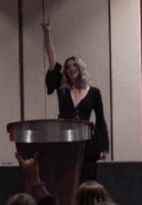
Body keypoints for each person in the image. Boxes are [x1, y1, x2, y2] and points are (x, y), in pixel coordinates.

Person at [40, 23, 109, 182]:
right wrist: (47, 33)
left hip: (87, 144)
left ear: (80, 68)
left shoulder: (94, 93)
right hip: (66, 142)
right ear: (65, 72)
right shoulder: (62, 90)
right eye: (68, 66)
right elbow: (52, 60)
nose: (71, 68)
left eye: (74, 65)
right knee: (67, 180)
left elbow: (101, 121)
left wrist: (104, 148)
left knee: (87, 180)